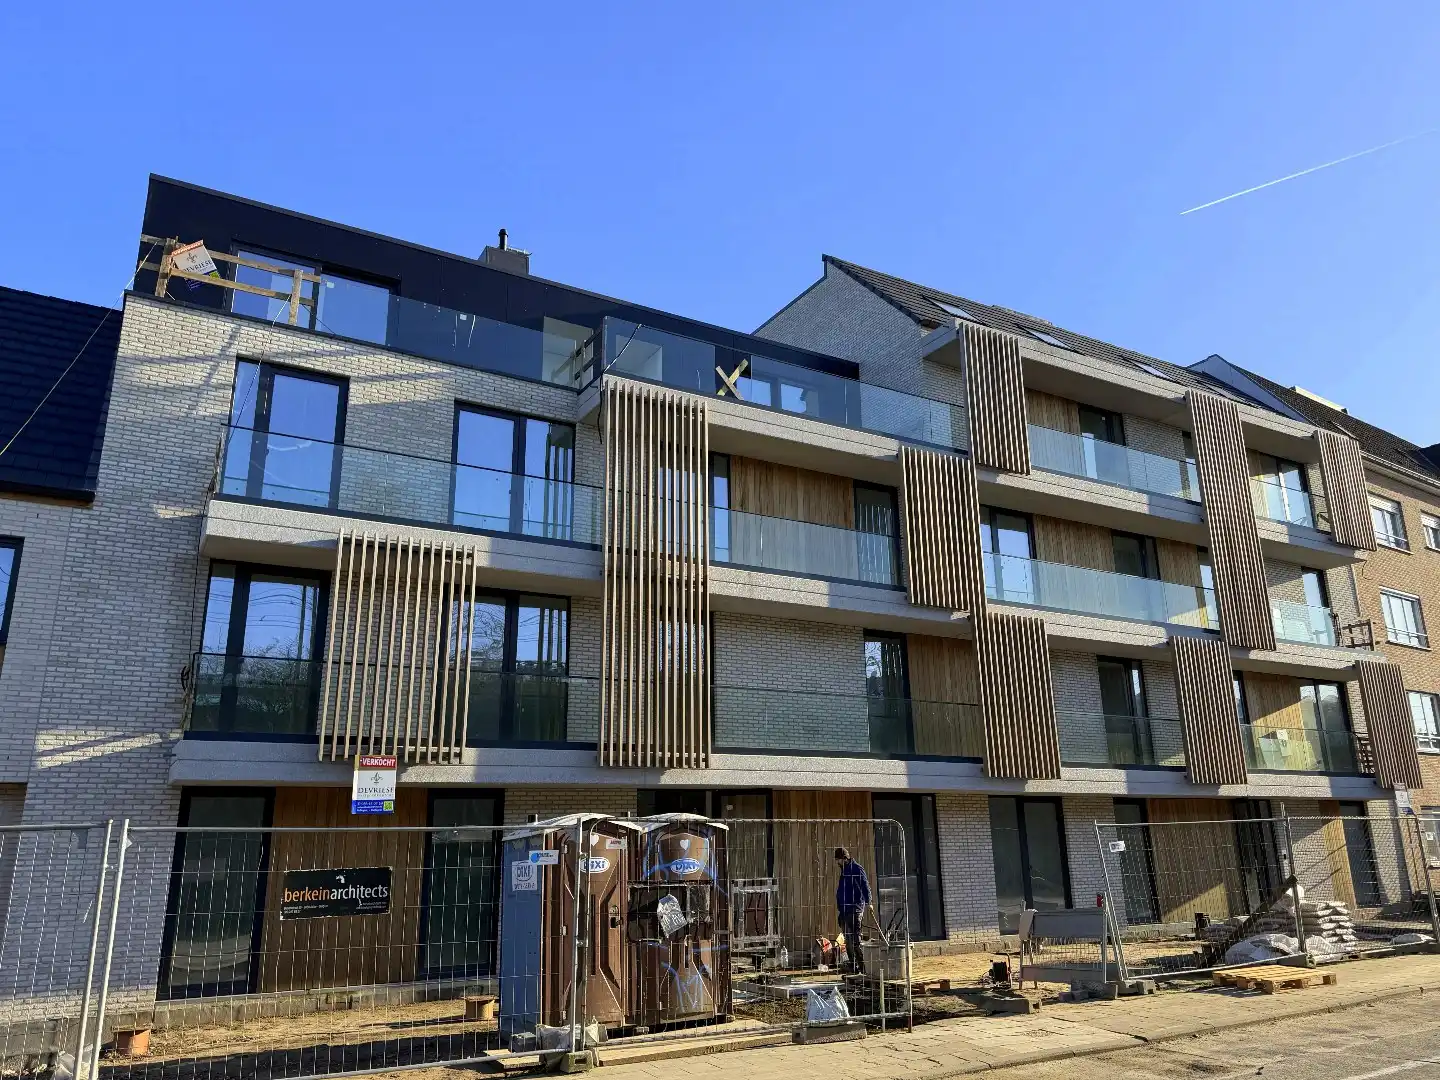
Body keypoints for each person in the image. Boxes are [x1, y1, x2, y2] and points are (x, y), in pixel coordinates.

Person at [834, 846, 870, 974]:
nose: (837, 863)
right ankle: (854, 967)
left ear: (844, 858)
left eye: (838, 860)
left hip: (855, 909)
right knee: (848, 941)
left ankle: (864, 969)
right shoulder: (844, 870)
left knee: (855, 941)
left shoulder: (856, 868)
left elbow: (865, 885)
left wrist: (868, 902)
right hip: (844, 911)